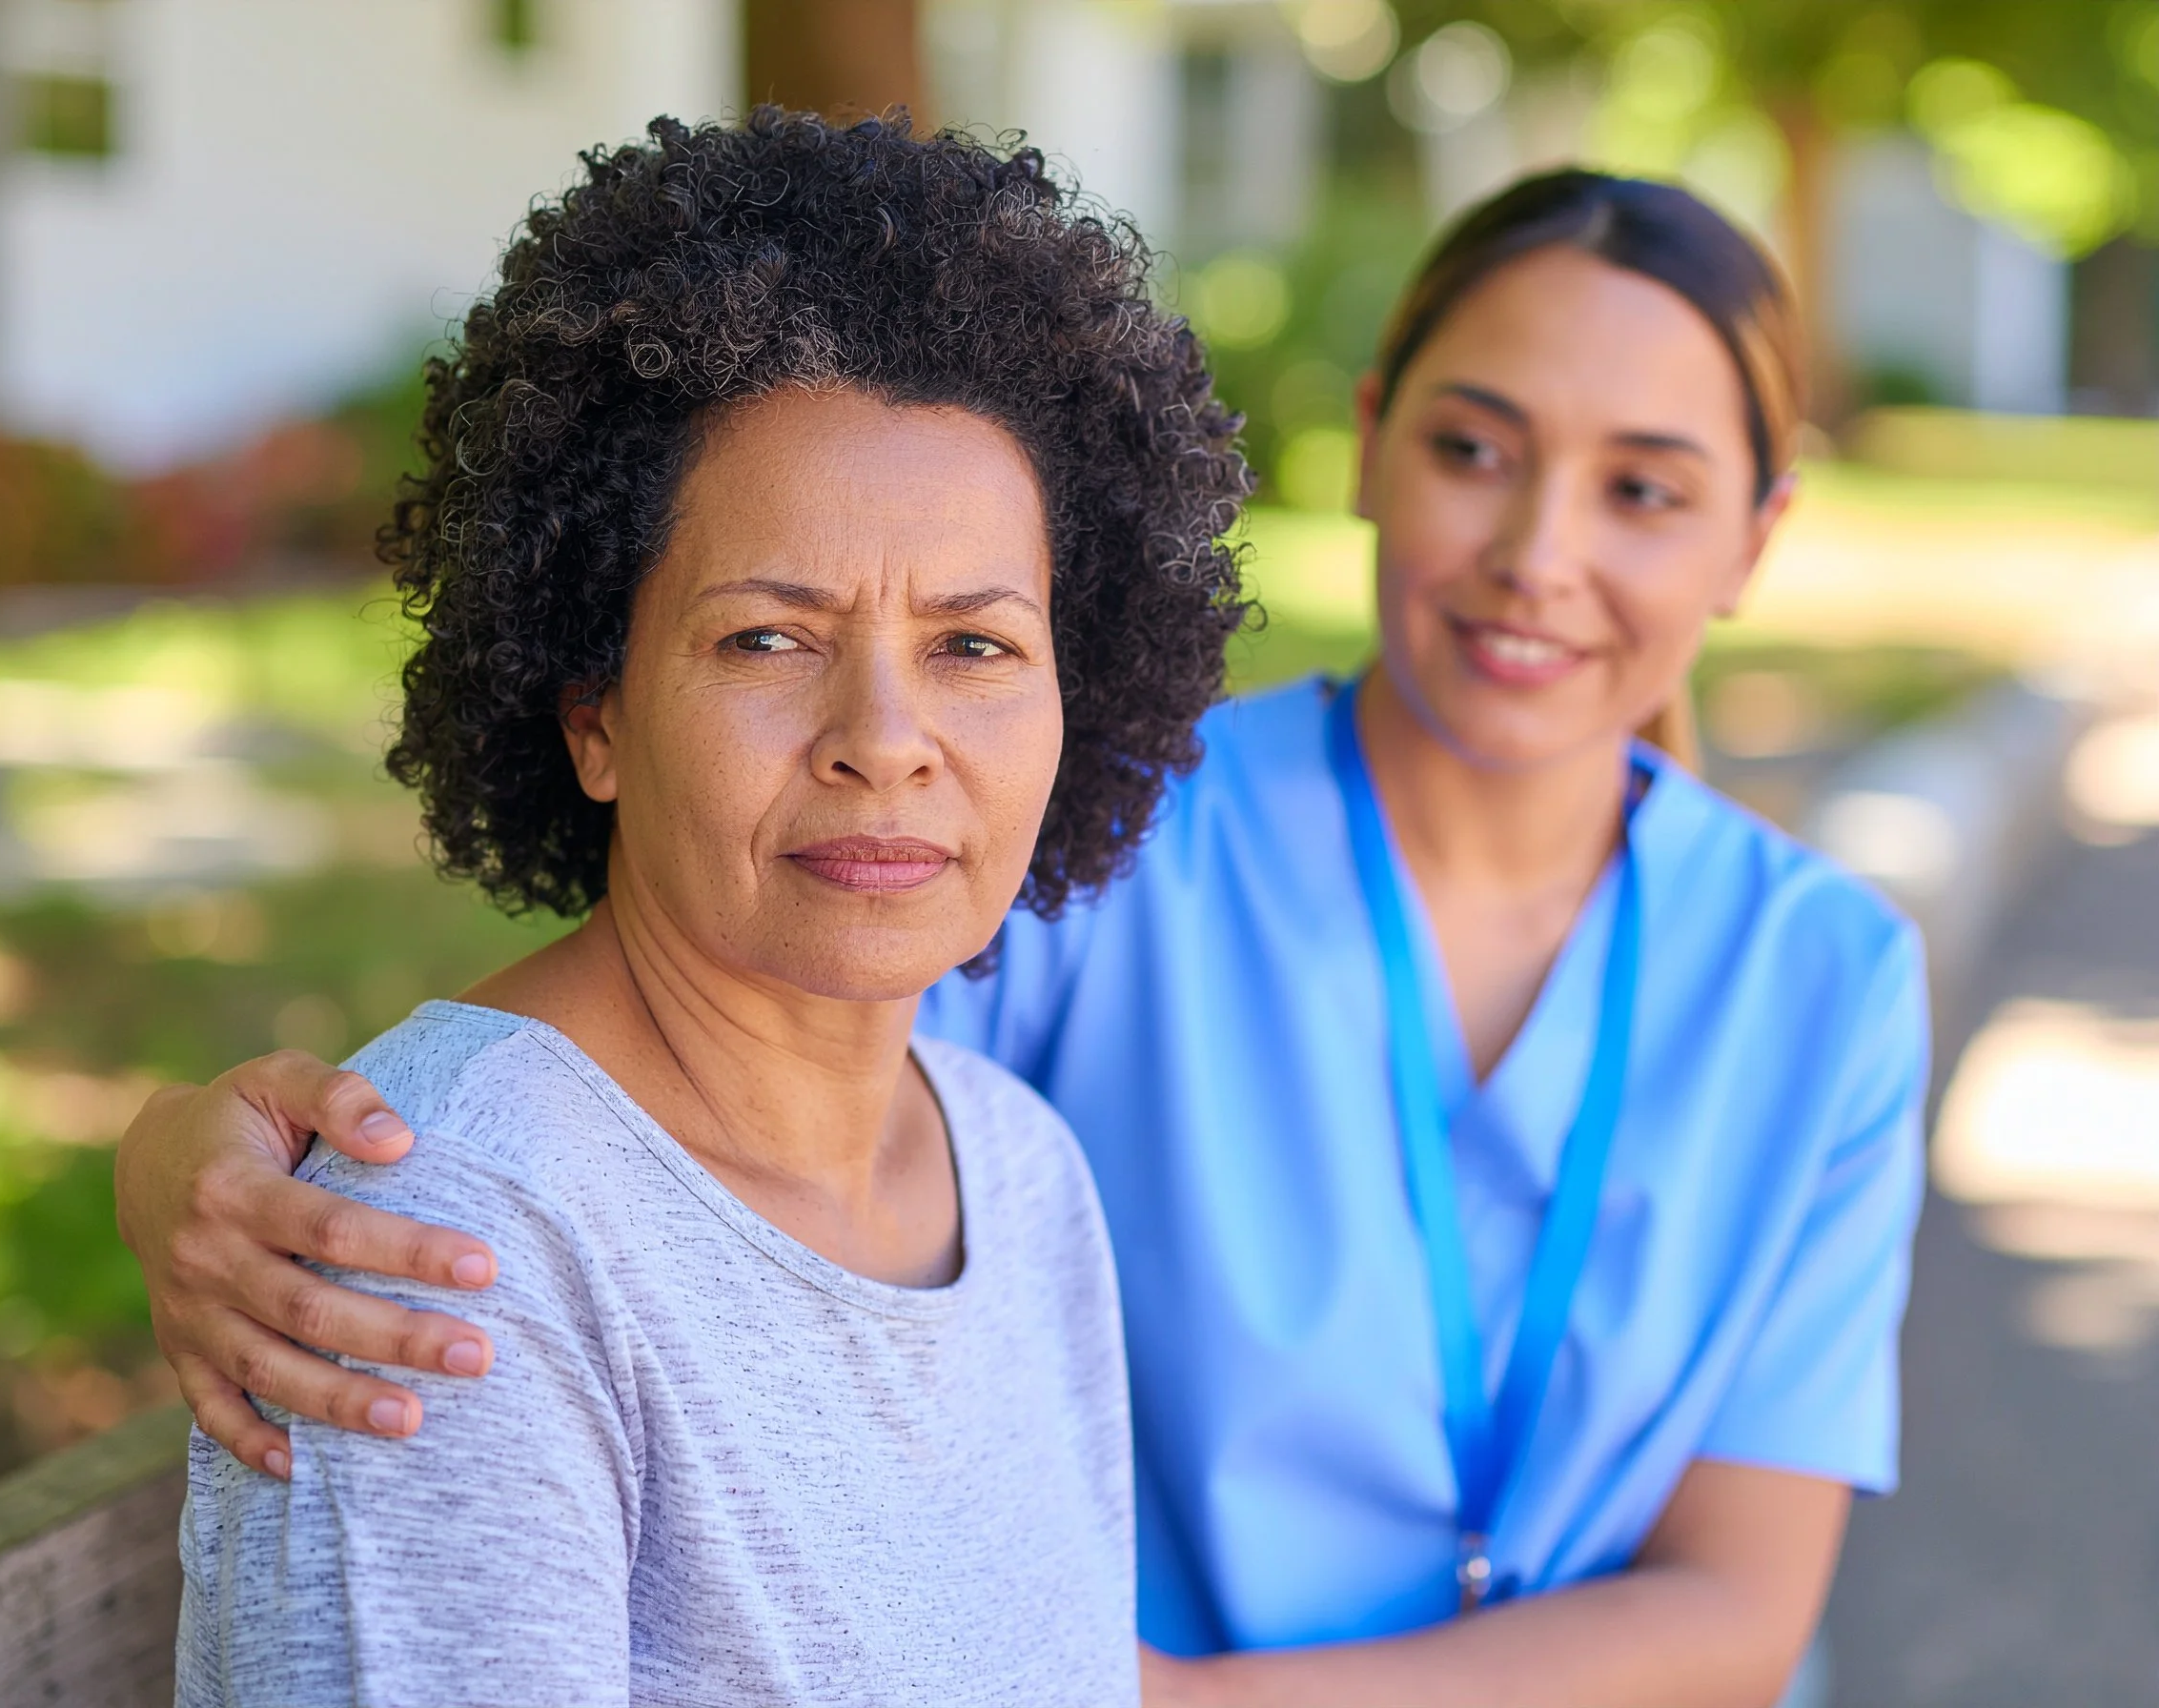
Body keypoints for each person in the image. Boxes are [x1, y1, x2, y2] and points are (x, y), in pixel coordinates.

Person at [123, 169, 1925, 1708]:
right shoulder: (1120, 857)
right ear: (1374, 437)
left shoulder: (1817, 977)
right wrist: (190, 1145)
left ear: (1759, 535)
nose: (892, 739)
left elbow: (1743, 1603)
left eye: (982, 648)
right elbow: (667, 1074)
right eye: (1477, 447)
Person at [164, 109, 1251, 1707]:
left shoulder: (1016, 1173)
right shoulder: (451, 1239)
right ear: (593, 713)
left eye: (975, 646)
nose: (886, 740)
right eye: (767, 639)